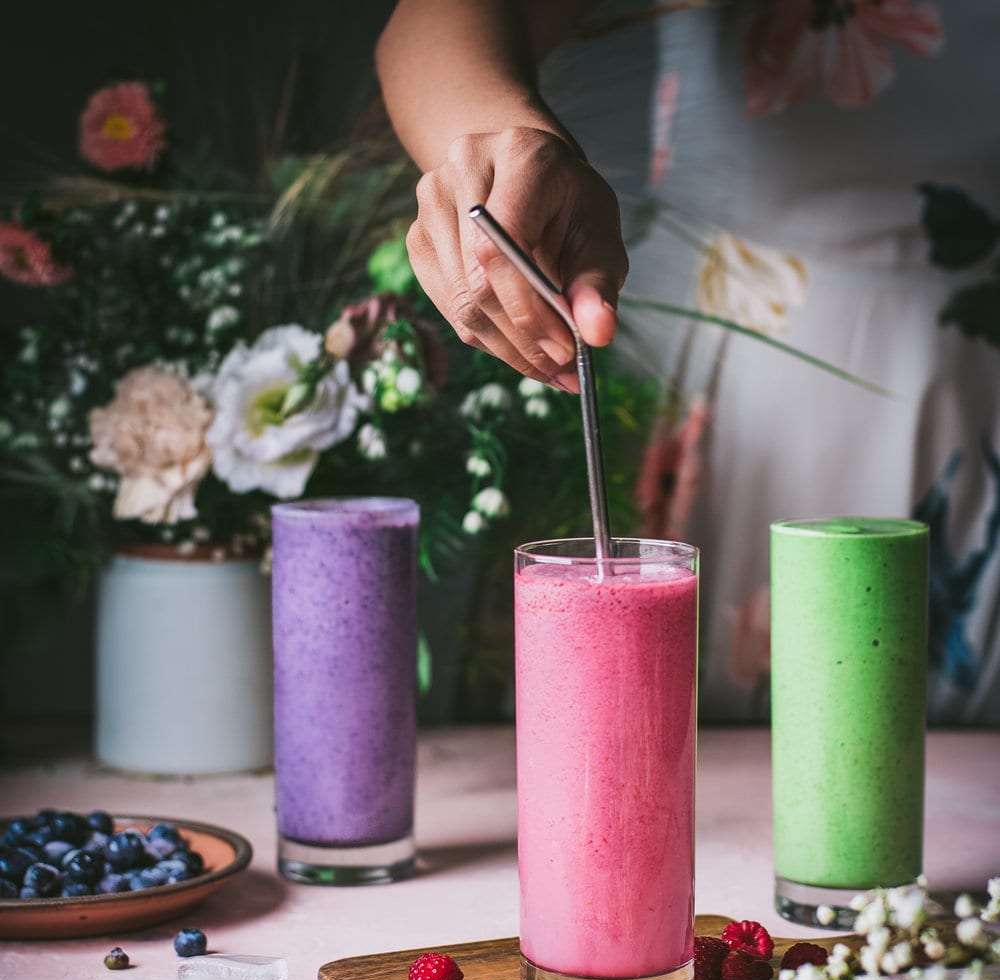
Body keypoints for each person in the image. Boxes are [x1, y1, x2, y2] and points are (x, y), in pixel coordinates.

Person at [376, 0, 1000, 725]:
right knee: (632, 746)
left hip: (972, 387)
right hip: (729, 371)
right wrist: (499, 147)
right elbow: (439, 19)